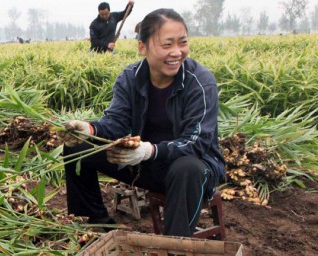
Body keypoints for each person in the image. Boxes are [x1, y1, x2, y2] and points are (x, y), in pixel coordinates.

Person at [61, 9, 225, 237]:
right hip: (144, 164)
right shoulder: (130, 77)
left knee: (187, 167)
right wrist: (89, 129)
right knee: (77, 146)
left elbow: (197, 143)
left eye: (183, 43)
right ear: (142, 47)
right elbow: (116, 123)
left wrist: (151, 150)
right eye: (167, 45)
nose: (177, 52)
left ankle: (174, 246)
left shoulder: (200, 82)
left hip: (190, 171)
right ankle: (97, 219)